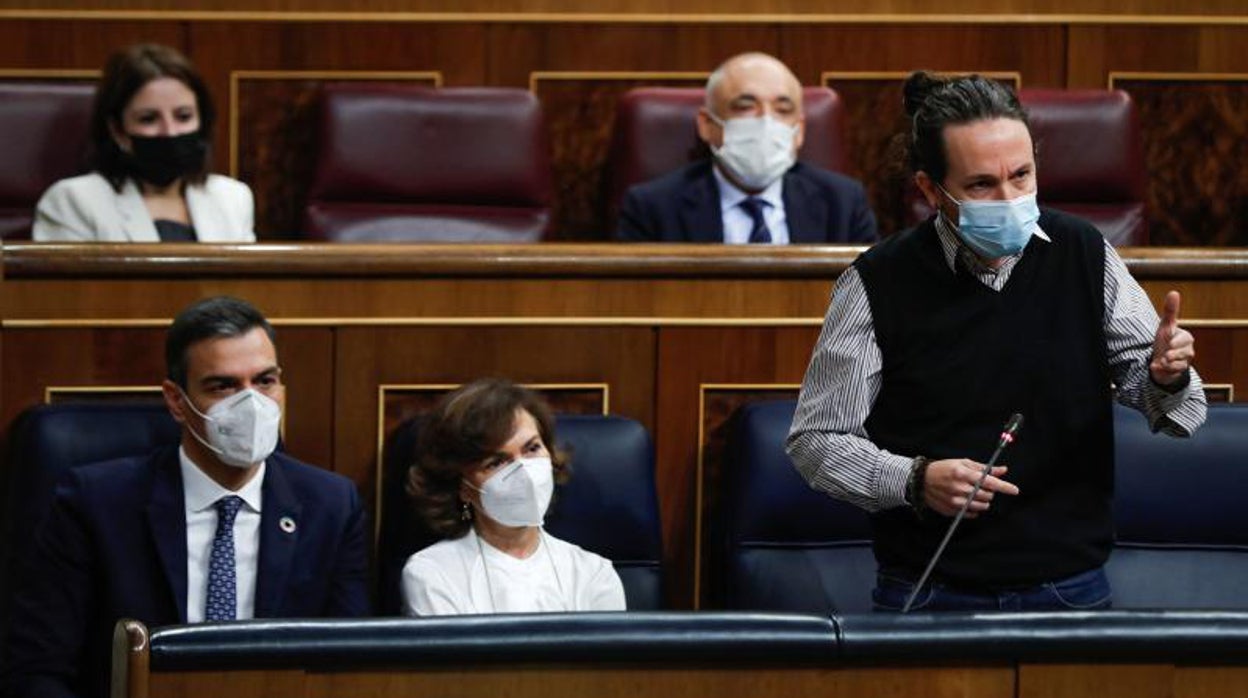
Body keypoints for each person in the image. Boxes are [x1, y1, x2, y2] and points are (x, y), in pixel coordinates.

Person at [786, 72, 1207, 612]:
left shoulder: (1084, 253)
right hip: (929, 590)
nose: (1008, 198)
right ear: (930, 191)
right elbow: (816, 441)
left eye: (1022, 175)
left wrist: (1165, 377)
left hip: (1068, 587)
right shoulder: (877, 282)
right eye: (981, 185)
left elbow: (1177, 413)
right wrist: (914, 480)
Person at [0, 296, 368, 698]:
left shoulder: (331, 506)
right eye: (223, 386)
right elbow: (38, 670)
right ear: (177, 400)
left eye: (264, 381)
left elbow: (348, 668)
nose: (250, 403)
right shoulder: (95, 504)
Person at [401, 378, 626, 615]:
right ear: (462, 487)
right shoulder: (433, 573)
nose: (524, 472)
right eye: (496, 462)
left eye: (531, 449)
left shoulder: (593, 573)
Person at [616, 52, 877, 244]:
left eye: (783, 109)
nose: (766, 120)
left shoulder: (843, 203)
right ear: (707, 125)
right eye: (744, 106)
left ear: (799, 132)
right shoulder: (652, 208)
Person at [32, 44, 254, 242]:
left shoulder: (232, 198)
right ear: (118, 130)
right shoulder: (74, 201)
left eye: (183, 116)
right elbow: (68, 289)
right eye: (149, 119)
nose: (170, 132)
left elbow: (246, 287)